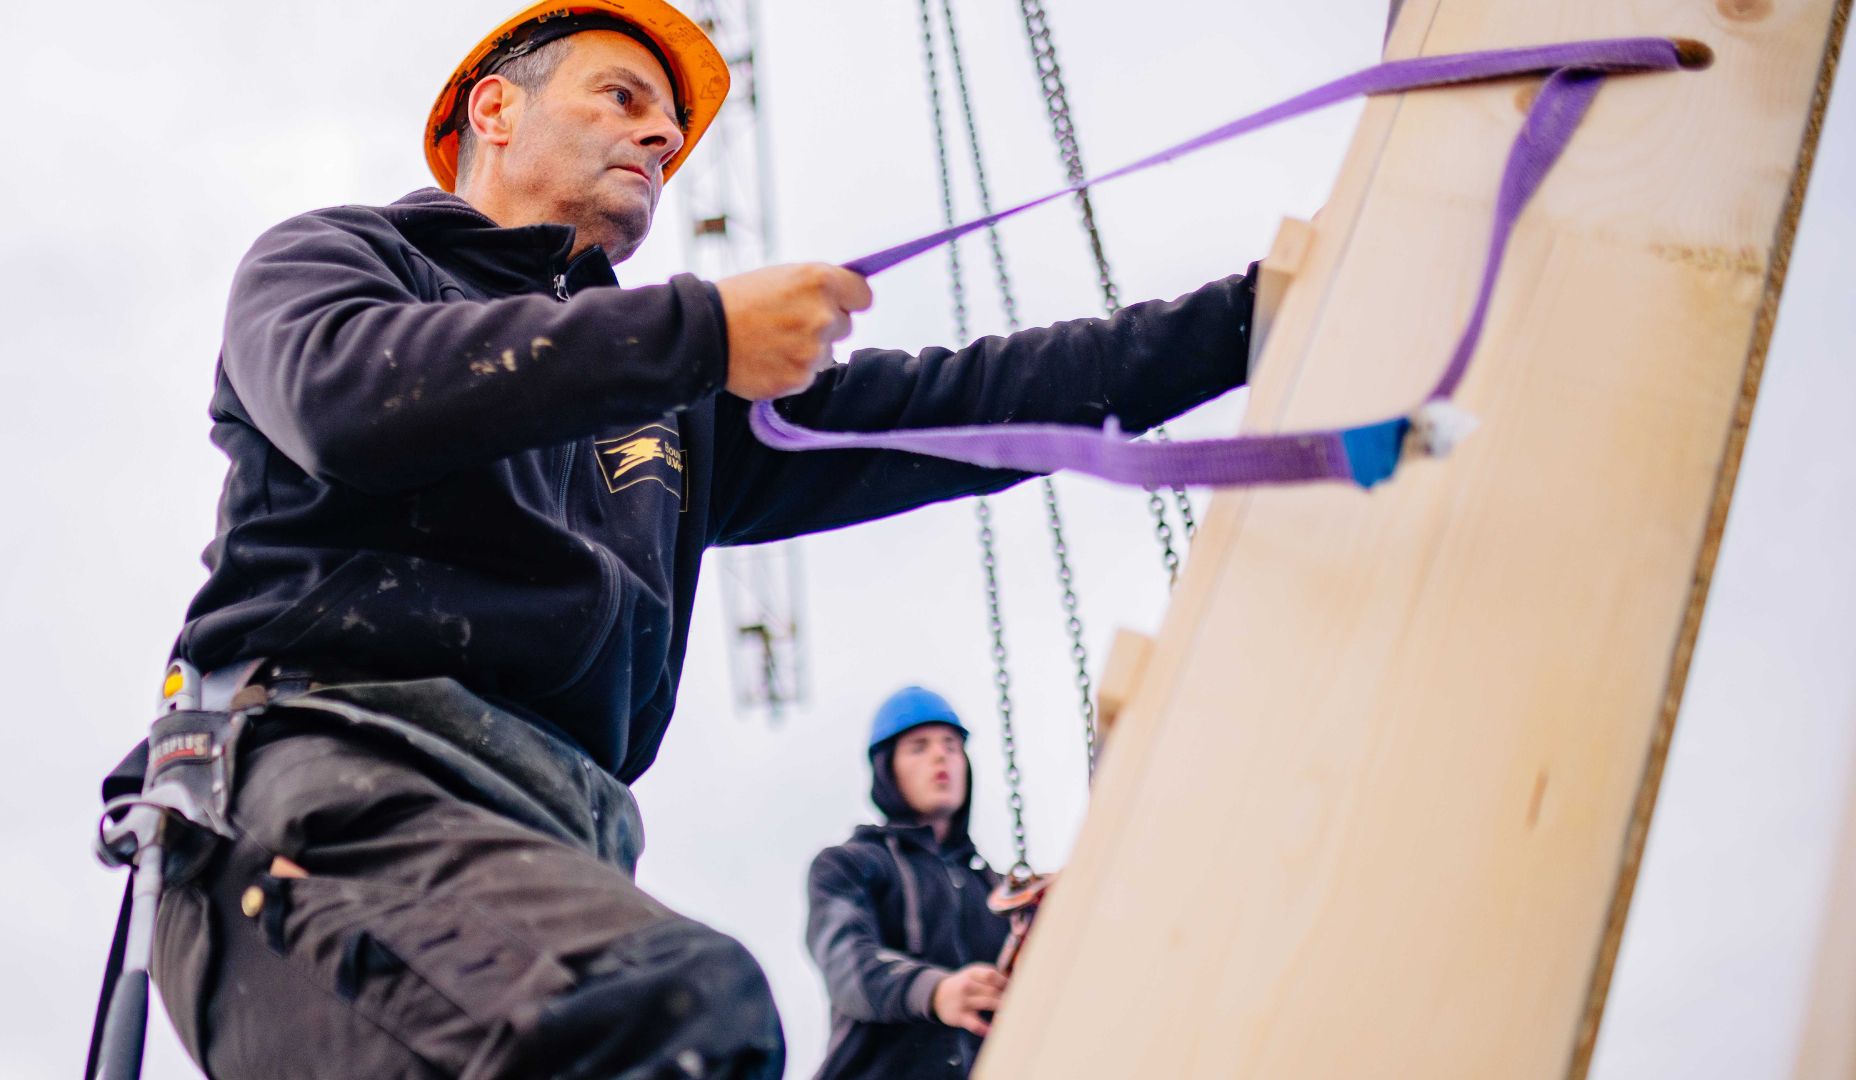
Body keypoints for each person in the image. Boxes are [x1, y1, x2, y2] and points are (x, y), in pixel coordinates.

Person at [108, 2, 1256, 1076]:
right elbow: (342, 399)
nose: (661, 133)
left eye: (671, 123)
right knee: (670, 1019)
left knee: (675, 1020)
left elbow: (974, 401)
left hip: (541, 847)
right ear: (492, 112)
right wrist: (697, 330)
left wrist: (1257, 318)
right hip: (323, 798)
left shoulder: (672, 410)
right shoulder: (338, 261)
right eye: (621, 96)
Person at [805, 687, 1022, 1080]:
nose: (941, 756)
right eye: (919, 747)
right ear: (888, 769)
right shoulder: (848, 866)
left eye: (952, 745)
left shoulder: (998, 891)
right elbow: (848, 964)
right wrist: (934, 992)